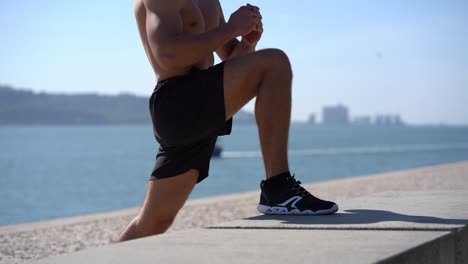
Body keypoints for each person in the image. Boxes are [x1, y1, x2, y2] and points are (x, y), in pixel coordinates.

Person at [116, 0, 338, 242]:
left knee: (155, 221)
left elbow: (232, 63)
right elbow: (168, 54)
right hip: (178, 103)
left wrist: (247, 41)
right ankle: (278, 187)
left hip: (202, 104)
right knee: (275, 63)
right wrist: (231, 28)